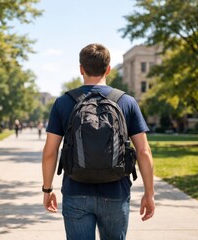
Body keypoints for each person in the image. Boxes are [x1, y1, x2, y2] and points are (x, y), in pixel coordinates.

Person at [41, 43, 155, 240]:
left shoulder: (63, 102)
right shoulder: (126, 102)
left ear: (81, 69)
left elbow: (50, 152)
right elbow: (143, 151)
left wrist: (47, 189)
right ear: (108, 69)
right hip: (116, 191)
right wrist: (149, 193)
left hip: (76, 190)